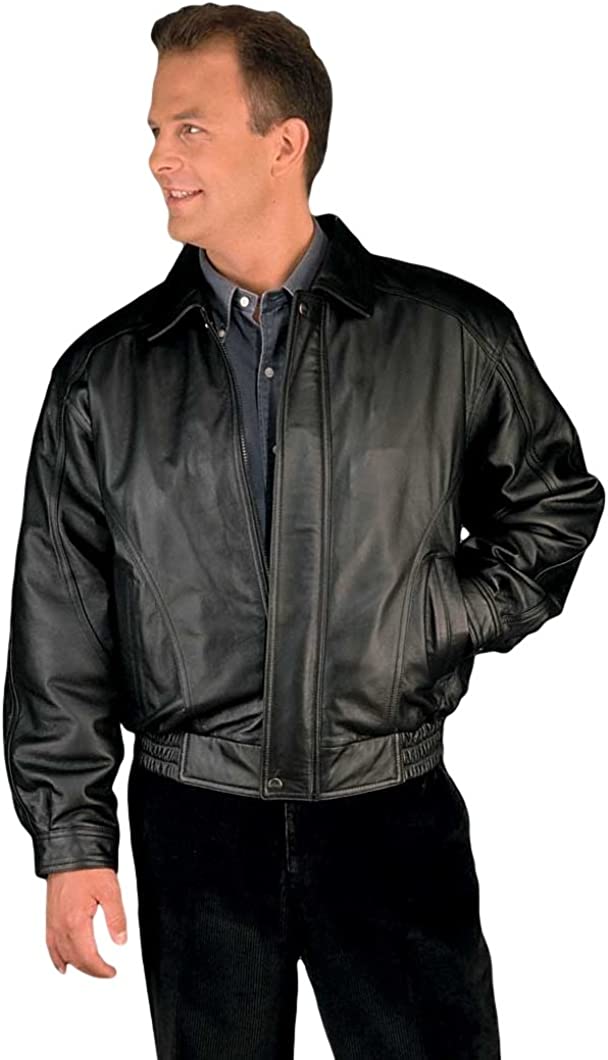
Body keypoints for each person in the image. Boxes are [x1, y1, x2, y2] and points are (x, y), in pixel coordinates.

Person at [2, 4, 605, 1058]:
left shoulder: (447, 335)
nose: (157, 158)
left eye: (190, 129)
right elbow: (60, 615)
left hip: (392, 811)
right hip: (195, 826)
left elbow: (551, 502)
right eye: (155, 131)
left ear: (285, 143)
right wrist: (73, 839)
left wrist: (434, 616)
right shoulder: (107, 376)